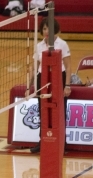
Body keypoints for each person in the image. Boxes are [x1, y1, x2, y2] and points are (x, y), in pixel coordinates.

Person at [30, 17, 71, 154]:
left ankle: (62, 144)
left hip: (58, 78)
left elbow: (68, 66)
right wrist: (29, 86)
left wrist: (67, 85)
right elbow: (35, 68)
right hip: (42, 79)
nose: (47, 31)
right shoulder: (39, 46)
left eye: (50, 28)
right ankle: (43, 142)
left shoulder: (62, 44)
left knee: (59, 112)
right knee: (43, 112)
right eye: (45, 28)